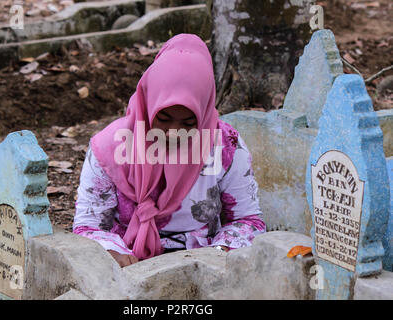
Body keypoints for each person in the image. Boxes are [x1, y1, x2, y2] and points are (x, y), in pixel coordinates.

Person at [73, 34, 266, 267]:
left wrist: (219, 252)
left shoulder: (225, 146)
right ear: (147, 104)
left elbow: (248, 220)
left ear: (204, 113)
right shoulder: (109, 148)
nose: (174, 132)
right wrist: (113, 253)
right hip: (127, 263)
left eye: (188, 123)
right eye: (163, 118)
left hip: (204, 264)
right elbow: (88, 226)